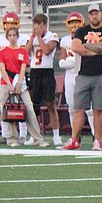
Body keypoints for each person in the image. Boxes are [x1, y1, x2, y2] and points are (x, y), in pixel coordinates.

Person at [62, 3, 102, 152]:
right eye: (92, 13)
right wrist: (95, 50)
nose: (94, 16)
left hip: (101, 74)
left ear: (101, 15)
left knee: (98, 109)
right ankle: (74, 139)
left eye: (96, 13)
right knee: (78, 109)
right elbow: (75, 47)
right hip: (83, 74)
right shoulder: (81, 31)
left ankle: (97, 140)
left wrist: (86, 47)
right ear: (88, 16)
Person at [0, 25, 48, 147]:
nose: (12, 38)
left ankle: (37, 138)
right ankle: (12, 138)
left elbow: (23, 68)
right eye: (10, 35)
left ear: (17, 36)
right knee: (8, 109)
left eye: (14, 35)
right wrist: (9, 84)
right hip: (6, 84)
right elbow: (2, 69)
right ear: (7, 37)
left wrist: (19, 83)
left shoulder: (22, 51)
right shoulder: (3, 52)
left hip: (20, 83)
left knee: (29, 108)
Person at [26, 13, 64, 147]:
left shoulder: (52, 36)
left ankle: (56, 135)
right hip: (34, 72)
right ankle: (35, 135)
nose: (37, 28)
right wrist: (32, 37)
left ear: (45, 25)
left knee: (50, 104)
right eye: (35, 25)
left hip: (47, 72)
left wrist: (38, 37)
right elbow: (26, 53)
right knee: (33, 106)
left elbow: (47, 50)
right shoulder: (33, 38)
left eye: (39, 25)